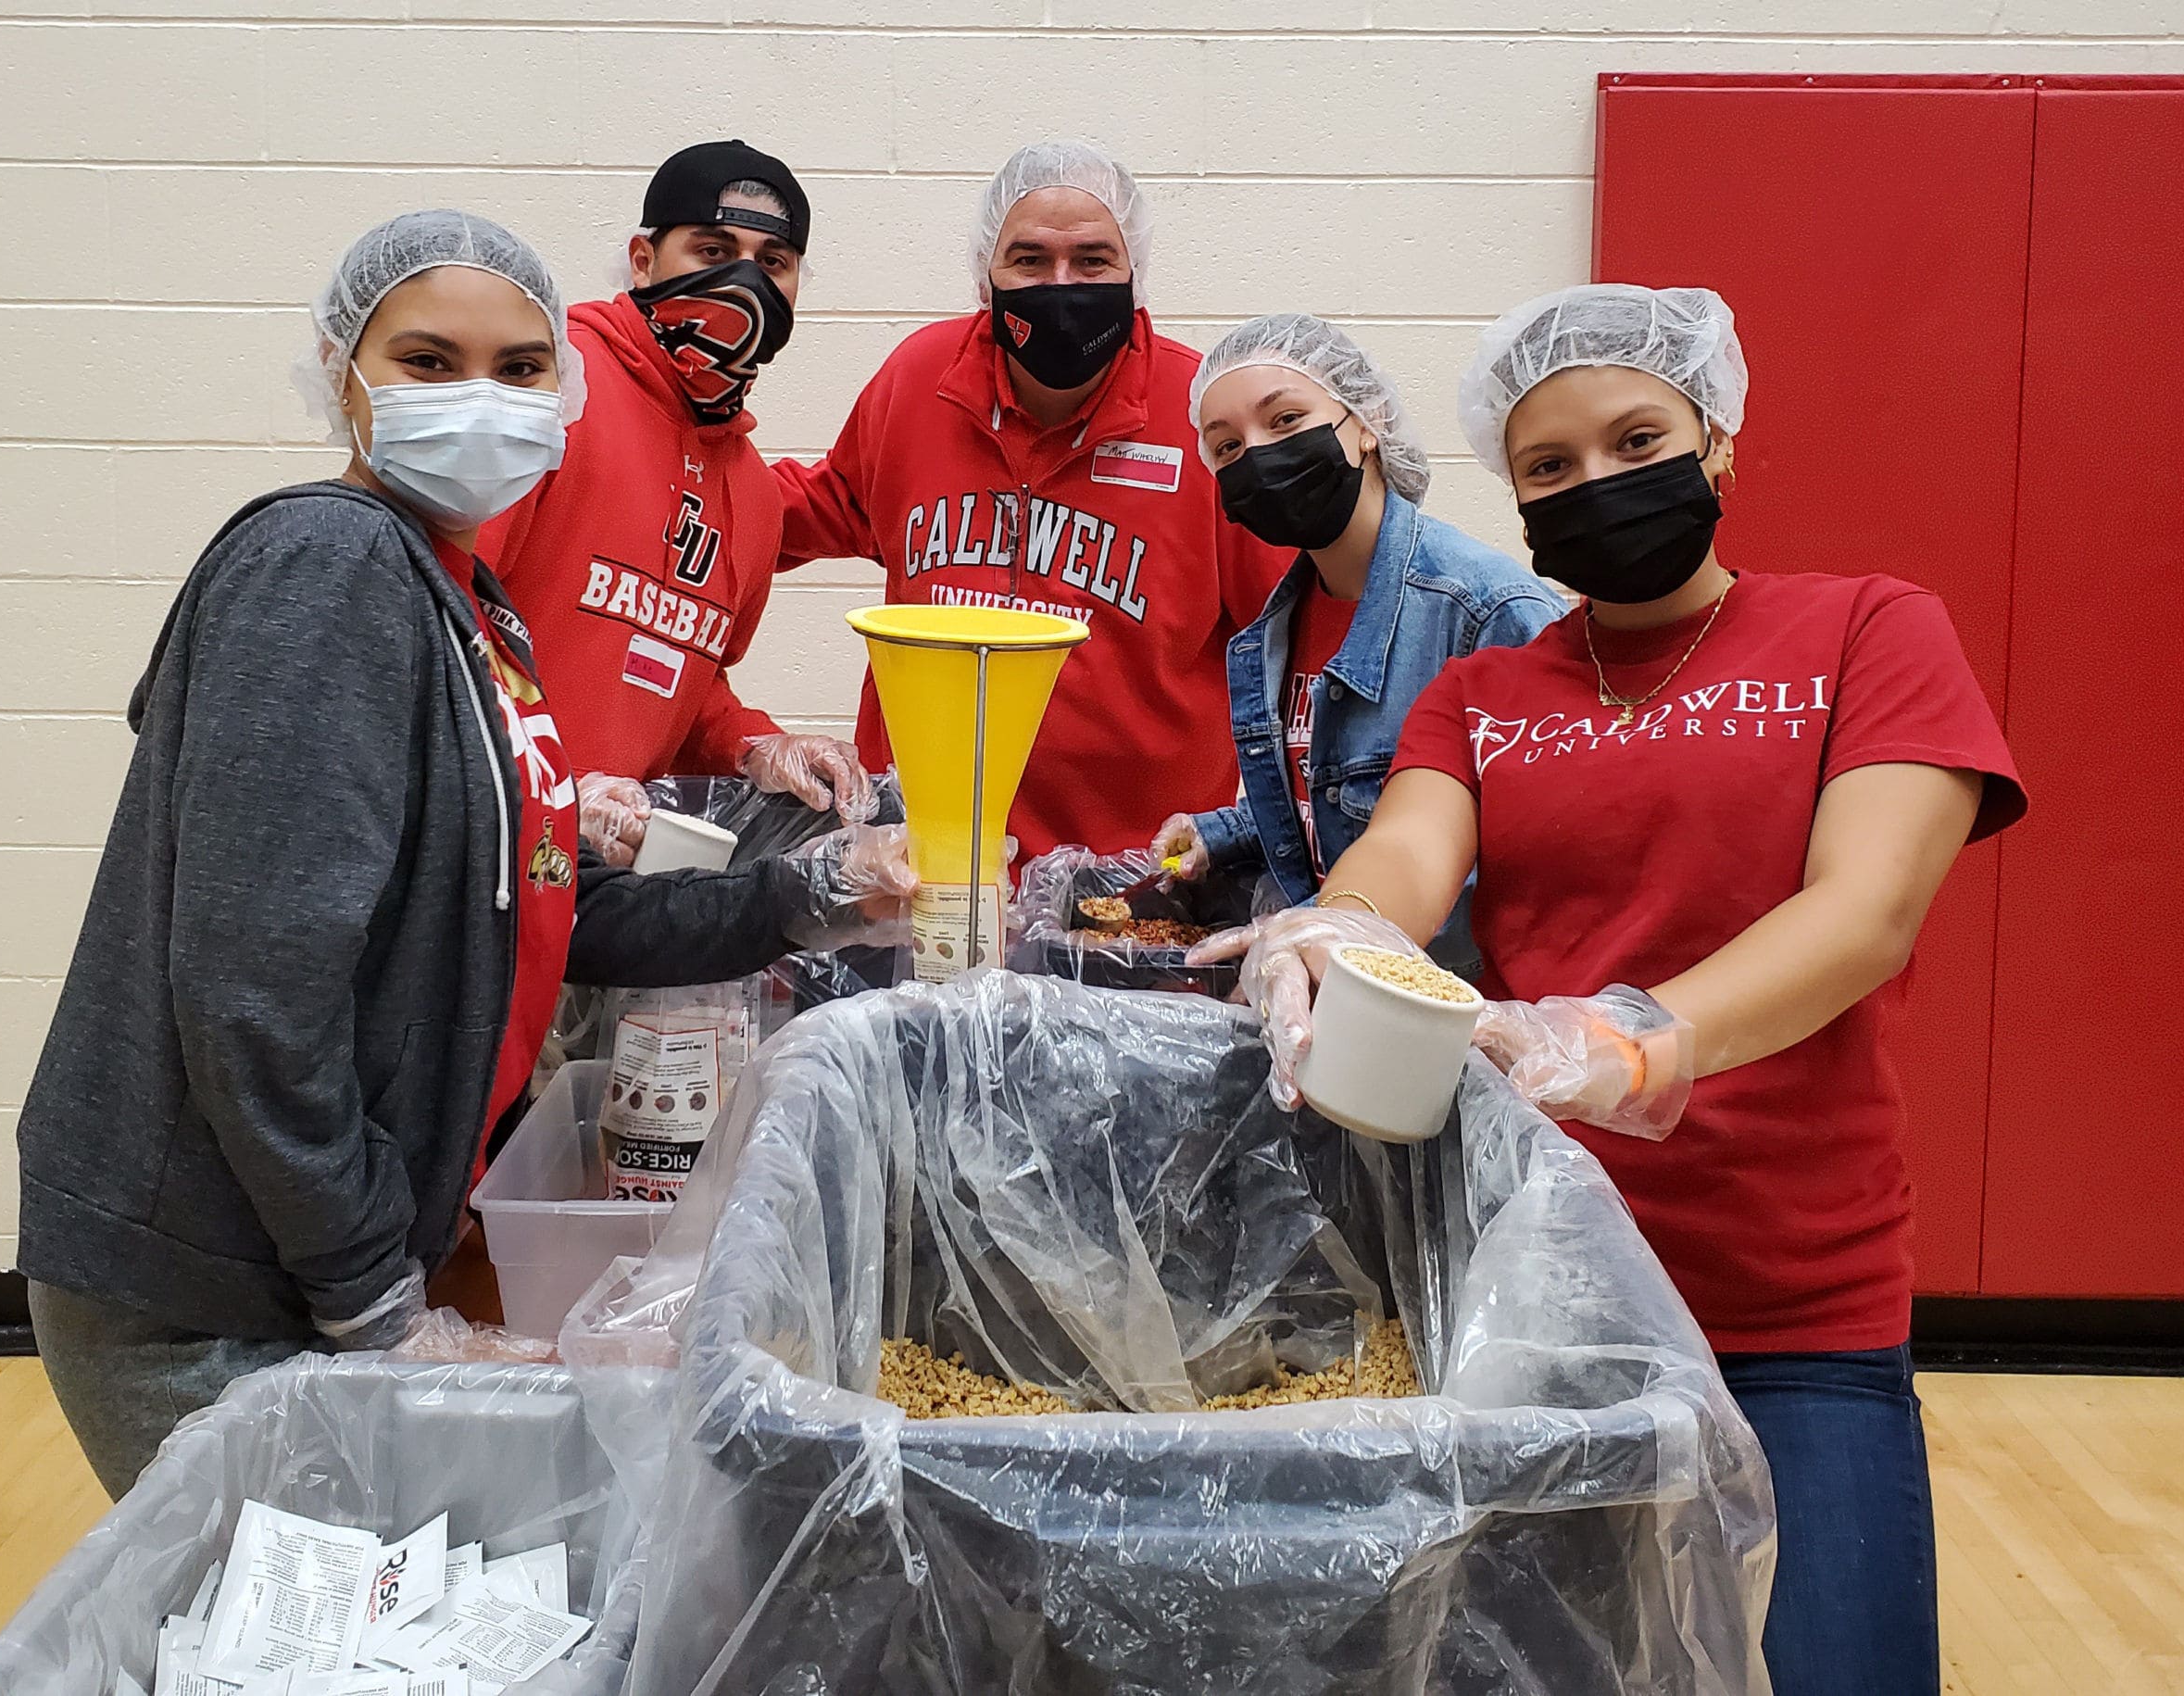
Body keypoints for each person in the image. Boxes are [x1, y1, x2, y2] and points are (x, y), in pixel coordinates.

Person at [1201, 283, 2026, 1696]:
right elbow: (1408, 846)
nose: (1595, 482)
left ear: (1717, 443)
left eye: (1636, 439)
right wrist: (1331, 928)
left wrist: (1643, 1035)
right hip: (1547, 1300)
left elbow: (1866, 909)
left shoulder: (1867, 632)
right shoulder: (1484, 692)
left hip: (1795, 1305)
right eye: (1549, 466)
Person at [14, 211, 912, 1499]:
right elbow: (255, 989)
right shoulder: (324, 566)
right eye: (428, 362)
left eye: (520, 367)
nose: (479, 400)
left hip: (301, 1248)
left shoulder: (463, 599)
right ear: (342, 375)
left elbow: (560, 907)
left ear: (565, 394)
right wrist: (376, 1297)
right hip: (201, 1275)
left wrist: (814, 892)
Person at [773, 140, 1289, 861]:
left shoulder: (1206, 415)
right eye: (1029, 260)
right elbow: (818, 507)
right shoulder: (919, 379)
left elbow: (1304, 627)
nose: (1062, 285)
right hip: (913, 871)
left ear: (1134, 274)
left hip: (1130, 892)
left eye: (1092, 260)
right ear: (986, 277)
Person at [482, 140, 872, 869]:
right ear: (642, 260)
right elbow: (441, 628)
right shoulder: (552, 388)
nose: (743, 281)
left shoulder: (754, 497)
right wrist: (548, 786)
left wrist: (754, 743)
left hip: (606, 880)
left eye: (773, 263)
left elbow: (683, 687)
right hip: (473, 853)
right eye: (713, 248)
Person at [1148, 315, 1561, 973]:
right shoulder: (1274, 632)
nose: (1257, 454)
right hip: (1333, 1001)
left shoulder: (1488, 615)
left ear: (1367, 423)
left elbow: (1544, 861)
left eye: (1285, 421)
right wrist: (1216, 836)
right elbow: (1320, 809)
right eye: (1225, 446)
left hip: (1450, 1016)